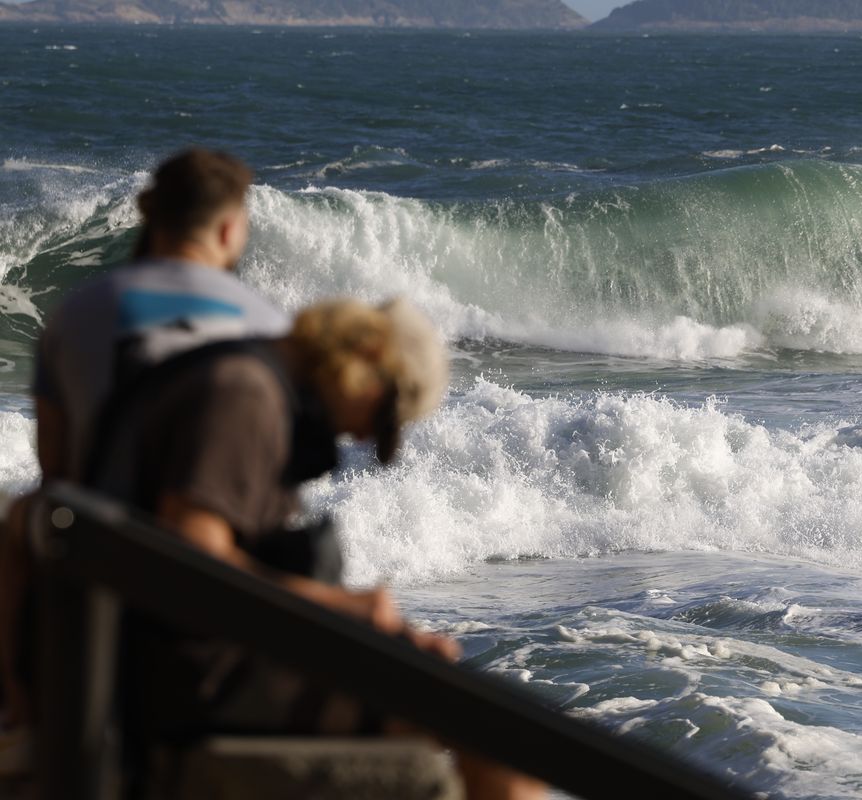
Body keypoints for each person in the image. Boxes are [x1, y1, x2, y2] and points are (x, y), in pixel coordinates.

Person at [86, 296, 544, 799]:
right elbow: (192, 561)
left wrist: (379, 631)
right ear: (366, 354)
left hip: (189, 662)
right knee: (497, 738)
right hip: (197, 678)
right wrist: (348, 608)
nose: (364, 435)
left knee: (479, 717)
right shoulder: (245, 394)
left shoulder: (248, 380)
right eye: (383, 414)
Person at [3, 147, 286, 730]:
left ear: (153, 216)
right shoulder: (268, 328)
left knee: (22, 517)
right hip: (215, 624)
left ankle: (20, 705)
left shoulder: (75, 315)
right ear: (229, 228)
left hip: (92, 589)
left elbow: (57, 471)